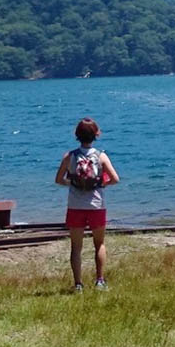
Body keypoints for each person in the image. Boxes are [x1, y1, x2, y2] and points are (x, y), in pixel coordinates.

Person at [54, 117, 120, 292]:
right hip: (96, 205)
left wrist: (73, 183)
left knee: (76, 247)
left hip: (75, 205)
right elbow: (115, 179)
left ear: (77, 135)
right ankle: (99, 280)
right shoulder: (101, 156)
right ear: (96, 135)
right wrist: (100, 184)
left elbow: (58, 180)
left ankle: (78, 284)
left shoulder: (69, 157)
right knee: (99, 244)